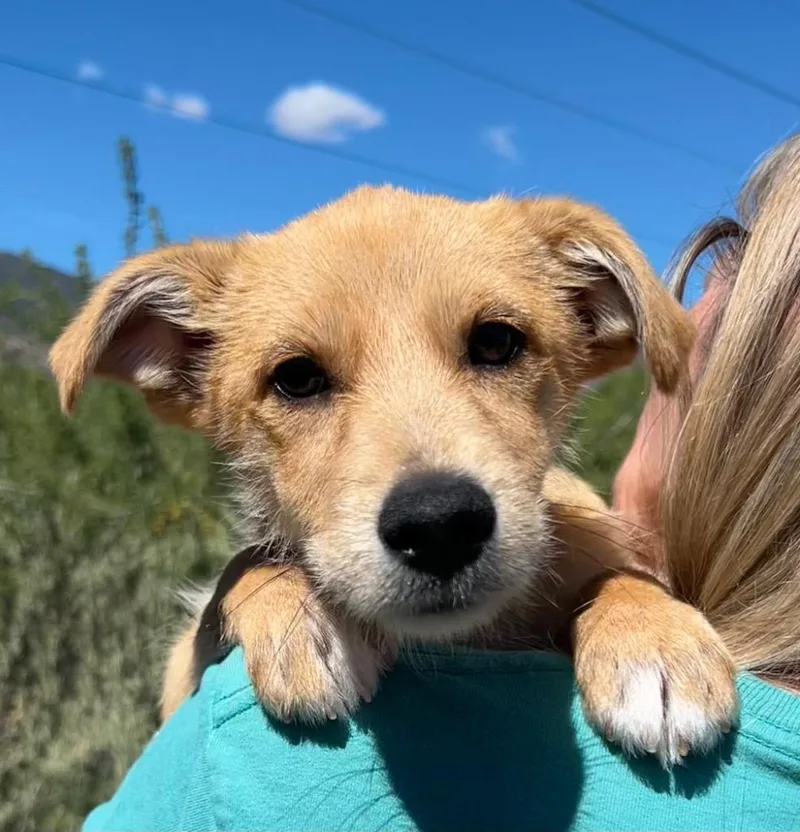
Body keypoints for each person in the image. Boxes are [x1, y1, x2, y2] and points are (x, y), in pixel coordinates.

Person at [83, 136, 800, 832]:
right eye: (300, 379)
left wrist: (625, 602)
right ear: (186, 370)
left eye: (494, 346)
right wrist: (255, 590)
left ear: (590, 330)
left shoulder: (236, 769)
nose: (431, 500)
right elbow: (186, 690)